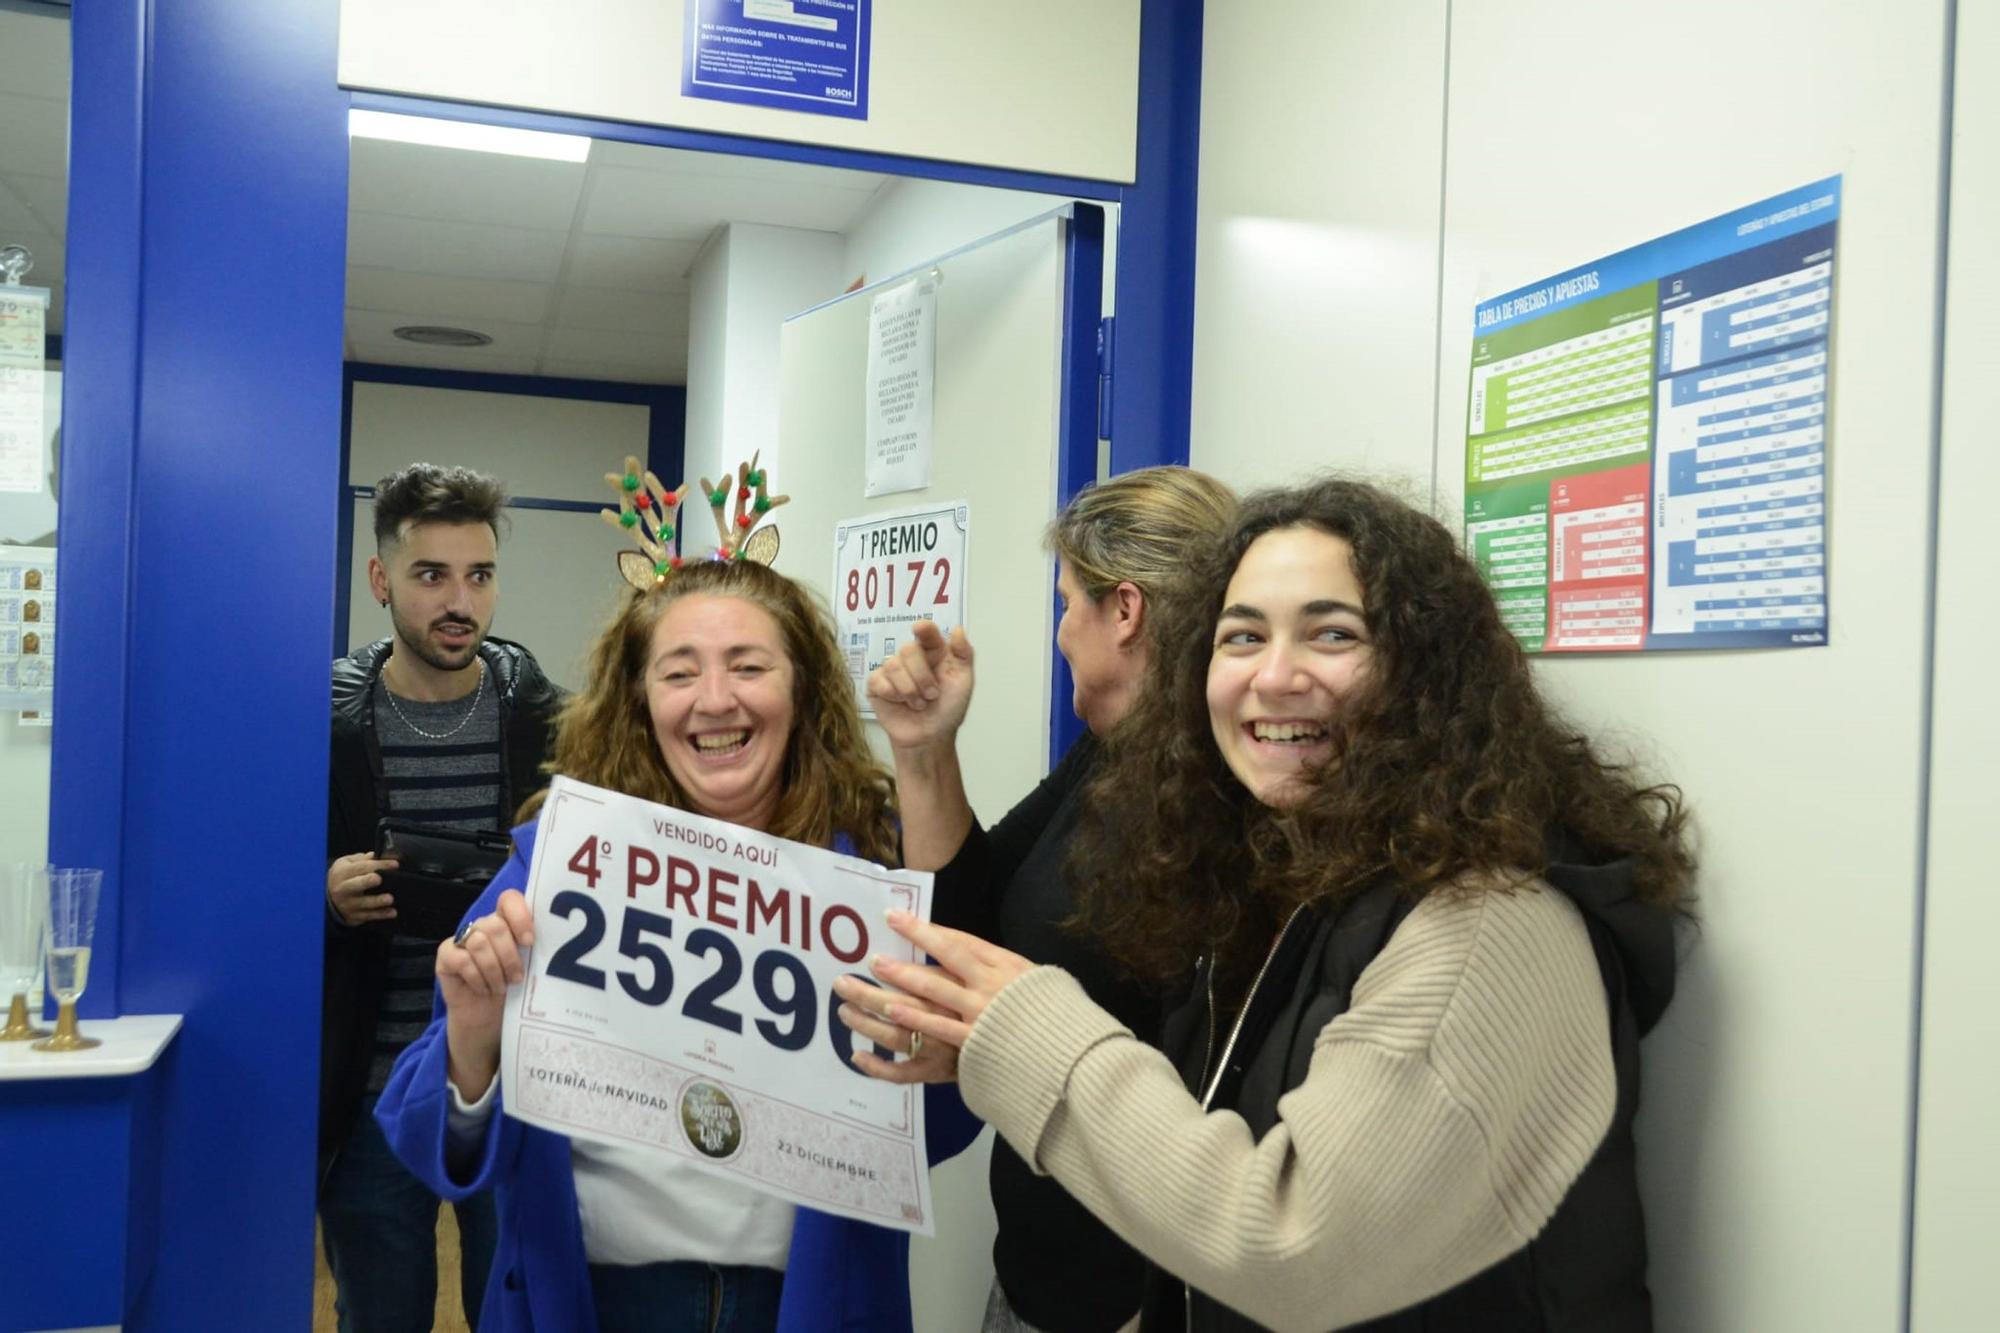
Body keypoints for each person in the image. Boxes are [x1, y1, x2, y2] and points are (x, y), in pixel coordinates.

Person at [844, 477, 1695, 1331]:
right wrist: (988, 1044)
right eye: (1242, 635)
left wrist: (1035, 1043)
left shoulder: (1490, 925)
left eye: (1331, 633)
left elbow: (1289, 1245)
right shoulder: (1293, 866)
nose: (1276, 675)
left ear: (1423, 666)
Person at [375, 530, 981, 1333]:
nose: (715, 698)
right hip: (596, 1302)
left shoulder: (867, 880)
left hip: (803, 1308)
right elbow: (427, 1143)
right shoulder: (556, 863)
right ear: (640, 701)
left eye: (749, 665)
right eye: (680, 671)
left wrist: (937, 1058)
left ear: (802, 691)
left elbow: (944, 1126)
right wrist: (473, 1044)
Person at [863, 465, 1235, 1333]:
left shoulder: (1223, 799)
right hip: (1041, 1266)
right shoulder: (1108, 757)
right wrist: (923, 752)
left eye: (1069, 603)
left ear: (1127, 611)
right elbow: (973, 913)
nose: (1064, 633)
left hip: (1133, 1295)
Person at [323, 463, 562, 1332]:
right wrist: (324, 897)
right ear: (382, 581)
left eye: (480, 575)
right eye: (432, 576)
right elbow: (248, 898)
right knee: (379, 1318)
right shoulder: (326, 724)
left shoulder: (547, 722)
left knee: (522, 1314)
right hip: (372, 1092)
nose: (459, 600)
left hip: (516, 1087)